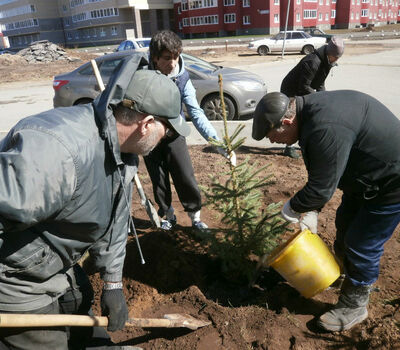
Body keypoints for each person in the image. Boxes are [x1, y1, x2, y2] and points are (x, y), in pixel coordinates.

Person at [0, 54, 189, 350]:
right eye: (167, 131)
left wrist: (113, 285)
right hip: (16, 281)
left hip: (55, 262)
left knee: (81, 303)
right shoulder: (57, 150)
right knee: (45, 342)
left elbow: (115, 224)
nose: (166, 139)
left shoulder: (124, 154)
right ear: (147, 123)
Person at [252, 90, 400, 332]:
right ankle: (339, 274)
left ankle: (355, 303)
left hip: (392, 183)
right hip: (365, 180)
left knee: (361, 243)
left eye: (271, 135)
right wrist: (312, 211)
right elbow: (325, 172)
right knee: (344, 224)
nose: (271, 141)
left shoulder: (325, 126)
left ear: (287, 121)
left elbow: (321, 189)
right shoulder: (310, 113)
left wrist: (292, 209)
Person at [144, 29, 235, 232]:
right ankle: (167, 215)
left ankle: (195, 217)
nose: (173, 63)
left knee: (185, 175)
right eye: (167, 58)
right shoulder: (142, 74)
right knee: (158, 179)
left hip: (174, 134)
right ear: (155, 58)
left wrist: (217, 143)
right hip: (149, 135)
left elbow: (196, 112)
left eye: (176, 57)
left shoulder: (182, 78)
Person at [280, 36, 344, 159]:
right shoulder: (312, 62)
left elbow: (320, 83)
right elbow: (303, 87)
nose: (336, 60)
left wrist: (325, 99)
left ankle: (304, 144)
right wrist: (317, 99)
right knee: (294, 118)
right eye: (335, 57)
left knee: (308, 115)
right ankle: (289, 147)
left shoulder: (327, 61)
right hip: (291, 90)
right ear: (329, 53)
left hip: (303, 88)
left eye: (338, 58)